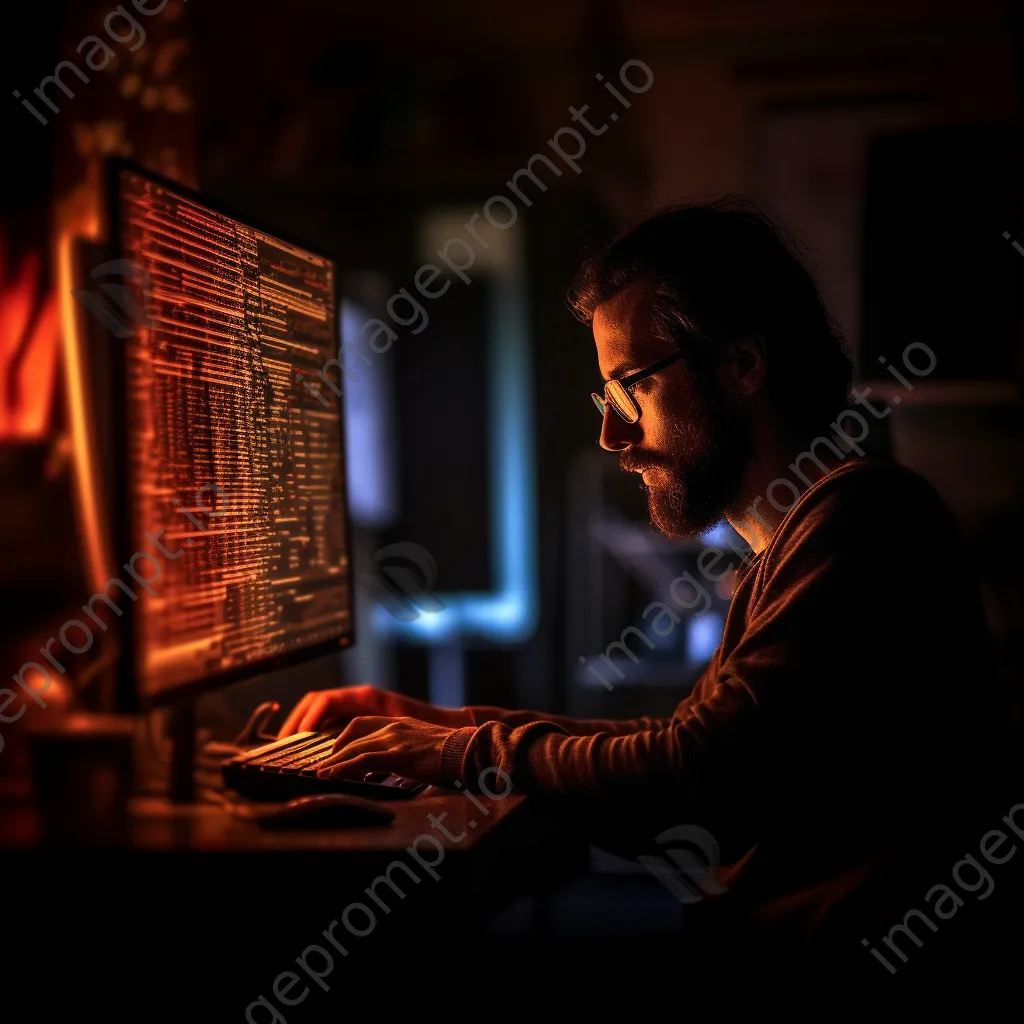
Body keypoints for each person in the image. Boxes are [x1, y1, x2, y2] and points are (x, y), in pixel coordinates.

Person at [279, 200, 1008, 988]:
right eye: (608, 397)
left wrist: (461, 752)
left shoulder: (860, 520)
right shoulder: (801, 538)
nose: (613, 437)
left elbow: (695, 783)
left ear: (742, 363)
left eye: (632, 386)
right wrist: (433, 726)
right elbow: (692, 745)